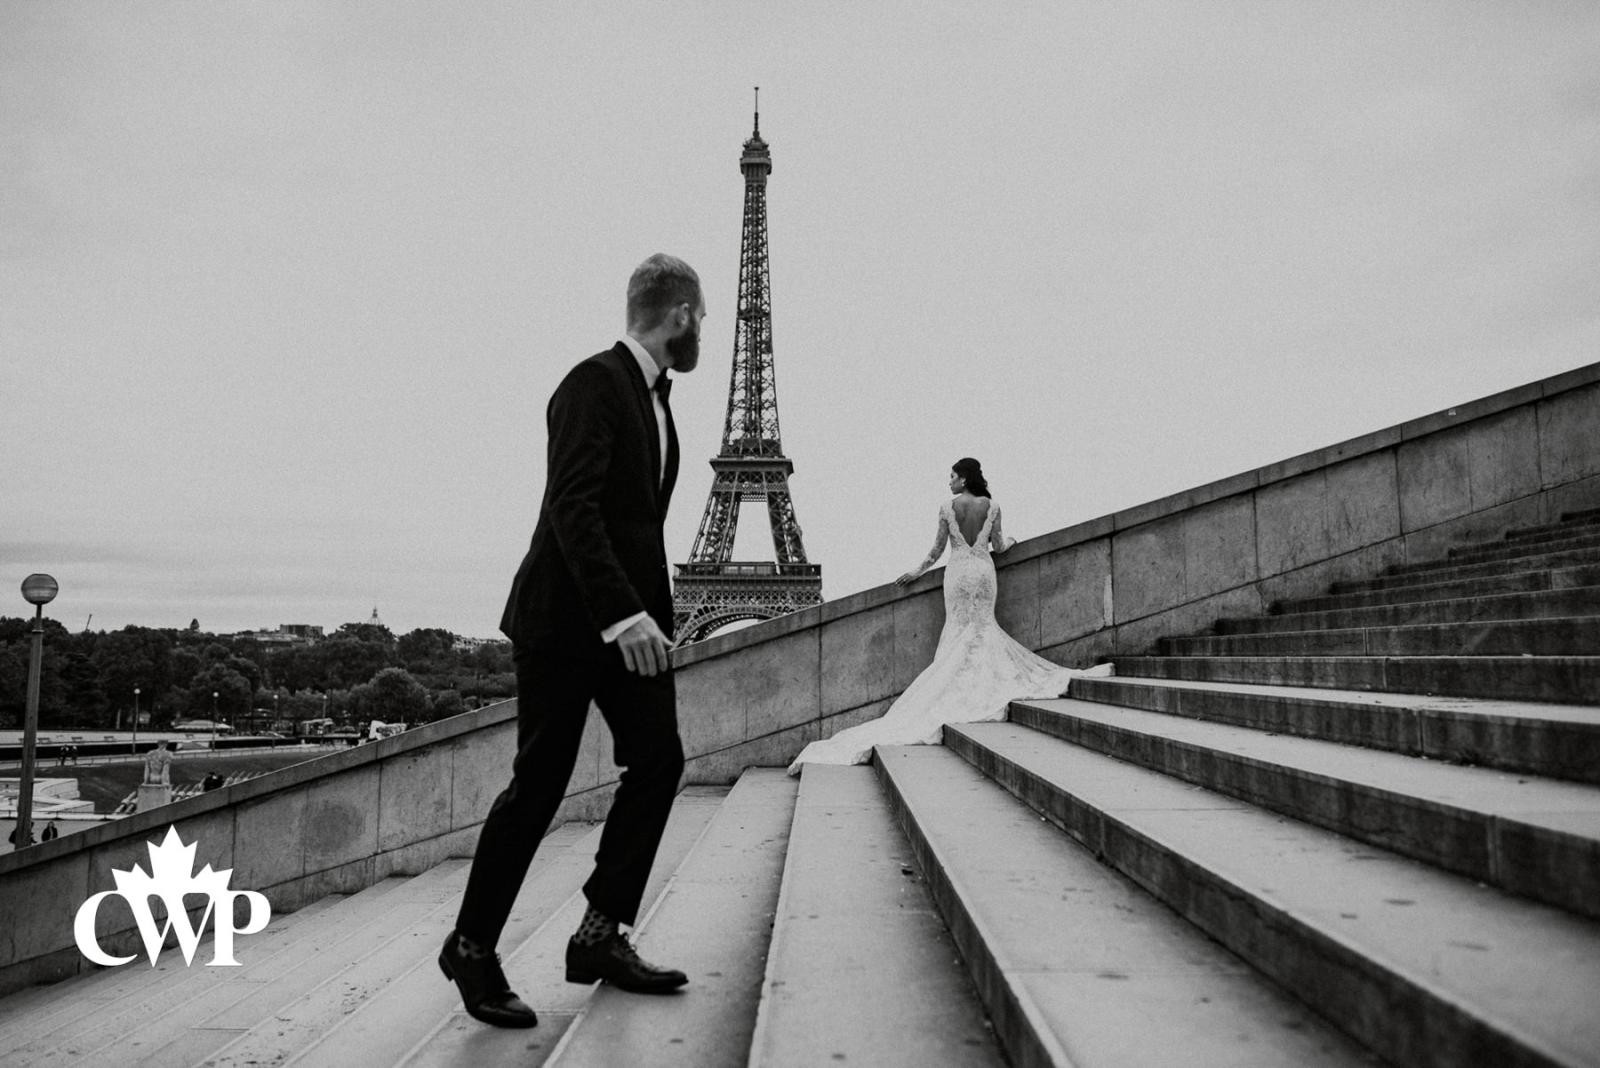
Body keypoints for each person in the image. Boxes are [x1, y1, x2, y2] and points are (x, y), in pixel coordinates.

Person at [440, 254, 703, 1029]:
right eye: (701, 321)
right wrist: (625, 615)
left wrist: (650, 615)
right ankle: (471, 946)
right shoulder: (591, 382)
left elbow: (636, 527)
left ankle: (598, 932)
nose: (702, 336)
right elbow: (572, 507)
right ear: (682, 313)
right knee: (540, 785)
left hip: (626, 623)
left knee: (659, 759)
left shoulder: (656, 402)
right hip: (565, 621)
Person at [789, 458, 1114, 772]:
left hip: (958, 574)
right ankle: (984, 682)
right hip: (984, 573)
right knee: (983, 627)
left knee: (959, 629)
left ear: (964, 478)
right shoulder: (994, 506)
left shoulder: (947, 507)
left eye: (953, 476)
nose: (949, 481)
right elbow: (999, 546)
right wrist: (1012, 540)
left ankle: (954, 685)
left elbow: (935, 552)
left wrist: (915, 573)